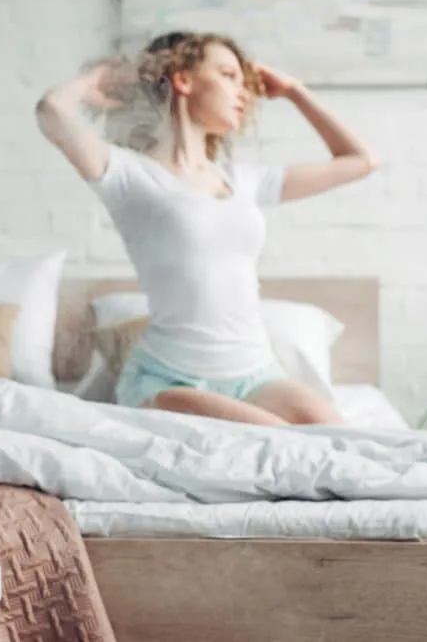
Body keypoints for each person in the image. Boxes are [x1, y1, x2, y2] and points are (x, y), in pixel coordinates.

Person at [35, 31, 379, 427]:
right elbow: (51, 110)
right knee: (282, 441)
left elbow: (361, 160)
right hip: (170, 381)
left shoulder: (244, 180)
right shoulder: (129, 175)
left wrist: (295, 91)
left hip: (259, 375)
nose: (243, 93)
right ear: (183, 80)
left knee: (341, 439)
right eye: (228, 75)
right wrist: (96, 79)